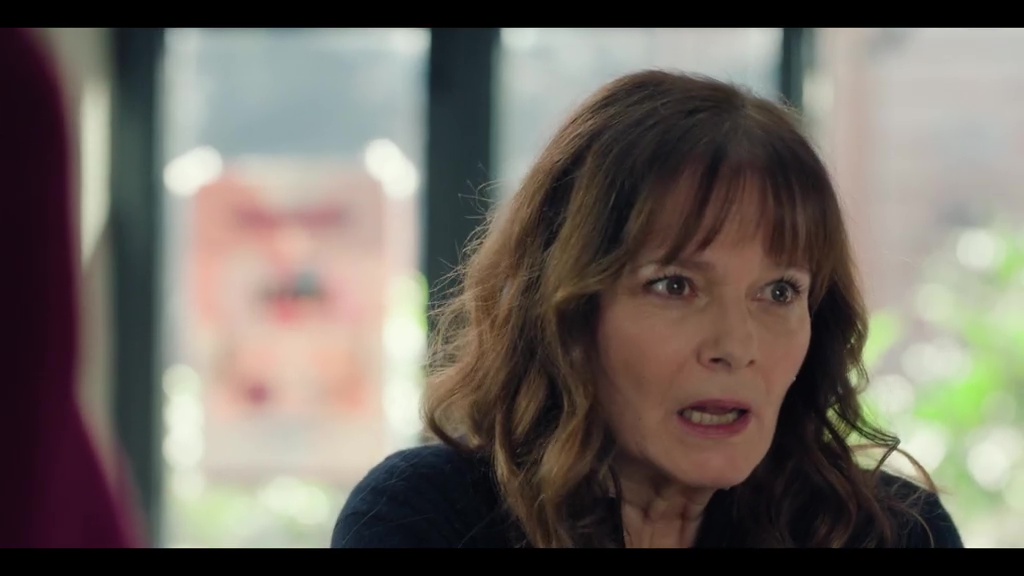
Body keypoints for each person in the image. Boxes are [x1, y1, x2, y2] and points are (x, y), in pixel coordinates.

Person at [331, 70, 964, 548]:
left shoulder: (887, 531)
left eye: (779, 292)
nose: (735, 346)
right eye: (675, 286)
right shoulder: (428, 517)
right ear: (567, 313)